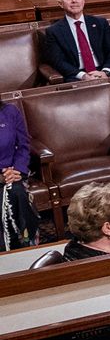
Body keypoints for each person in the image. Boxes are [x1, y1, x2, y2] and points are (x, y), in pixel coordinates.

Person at [43, 0, 110, 80]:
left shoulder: (100, 23)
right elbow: (59, 62)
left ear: (83, 1)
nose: (74, 1)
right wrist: (83, 76)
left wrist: (105, 72)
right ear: (61, 4)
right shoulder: (54, 31)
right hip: (76, 75)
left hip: (103, 72)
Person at [0, 97, 38, 250]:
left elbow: (23, 146)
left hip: (13, 172)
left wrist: (16, 170)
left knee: (16, 192)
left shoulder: (10, 112)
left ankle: (25, 245)